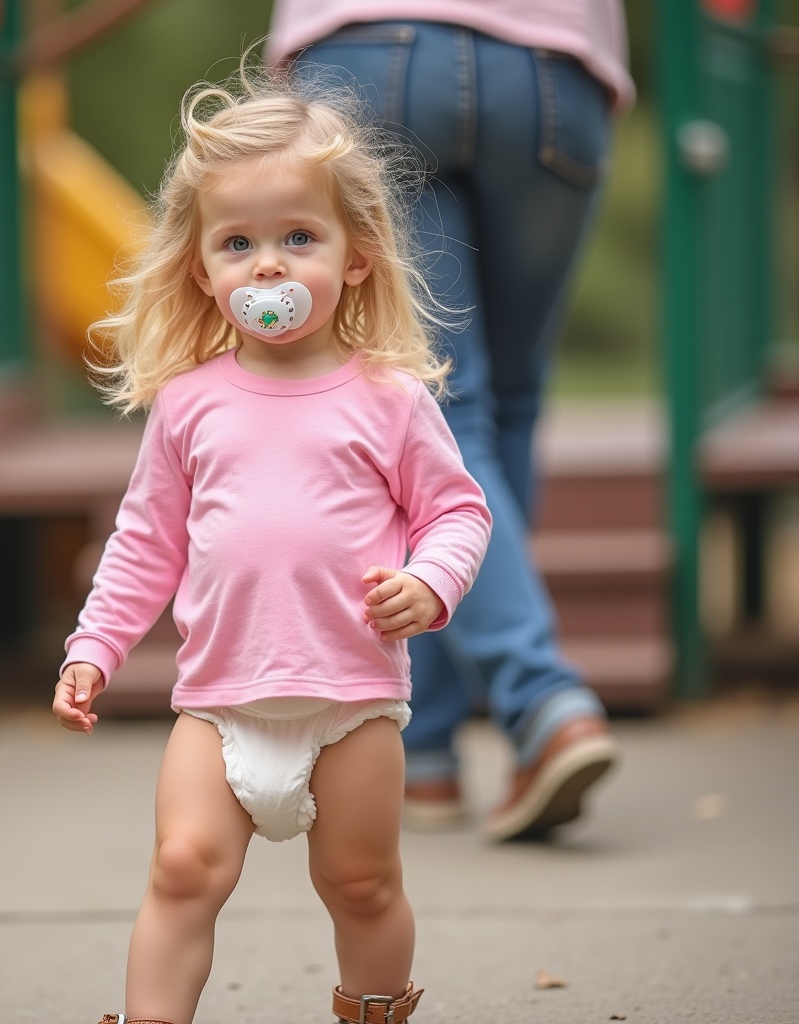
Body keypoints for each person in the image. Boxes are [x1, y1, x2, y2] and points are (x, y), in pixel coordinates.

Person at [52, 60, 492, 1024]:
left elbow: (458, 512)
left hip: (351, 701)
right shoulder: (189, 405)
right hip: (219, 705)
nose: (269, 265)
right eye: (239, 243)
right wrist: (94, 646)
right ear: (203, 269)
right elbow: (143, 543)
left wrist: (431, 583)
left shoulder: (388, 399)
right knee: (180, 868)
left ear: (356, 255)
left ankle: (374, 1007)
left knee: (362, 883)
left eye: (300, 237)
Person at [267, 1, 635, 841]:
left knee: (437, 400)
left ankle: (536, 700)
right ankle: (422, 743)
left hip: (369, 52)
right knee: (504, 398)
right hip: (553, 69)